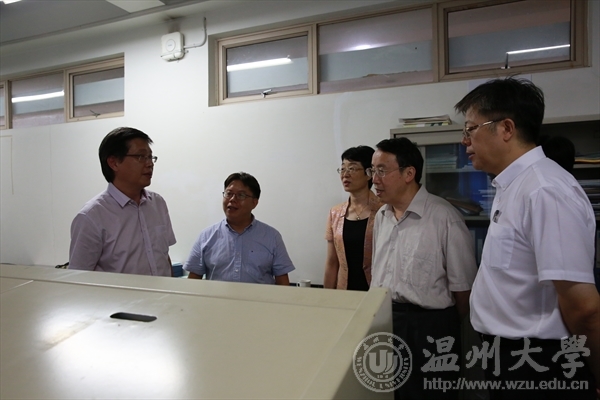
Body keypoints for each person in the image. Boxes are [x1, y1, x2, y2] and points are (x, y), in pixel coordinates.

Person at [455, 77, 599, 400]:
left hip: (541, 362)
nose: (464, 141)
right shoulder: (512, 185)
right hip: (508, 355)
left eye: (471, 129)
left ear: (506, 128)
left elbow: (583, 306)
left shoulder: (545, 190)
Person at [369, 137, 477, 400]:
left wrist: (439, 325)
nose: (374, 179)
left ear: (409, 173)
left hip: (430, 327)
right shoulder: (382, 216)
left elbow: (464, 289)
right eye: (373, 170)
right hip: (385, 321)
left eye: (382, 170)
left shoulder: (444, 217)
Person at [69, 127, 176, 276]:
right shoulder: (91, 216)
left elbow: (163, 257)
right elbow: (79, 276)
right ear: (114, 163)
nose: (149, 164)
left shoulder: (158, 204)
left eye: (150, 157)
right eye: (141, 157)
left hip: (162, 291)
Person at [184, 172, 295, 285]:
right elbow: (193, 280)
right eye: (228, 193)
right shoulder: (206, 236)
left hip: (260, 297)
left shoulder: (272, 236)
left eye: (241, 195)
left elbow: (282, 282)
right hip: (217, 297)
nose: (232, 199)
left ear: (254, 202)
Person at [324, 146, 382, 291]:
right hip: (344, 293)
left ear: (369, 173)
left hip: (377, 291)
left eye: (352, 168)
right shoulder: (335, 213)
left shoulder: (384, 210)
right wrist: (326, 296)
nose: (345, 174)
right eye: (343, 169)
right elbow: (332, 262)